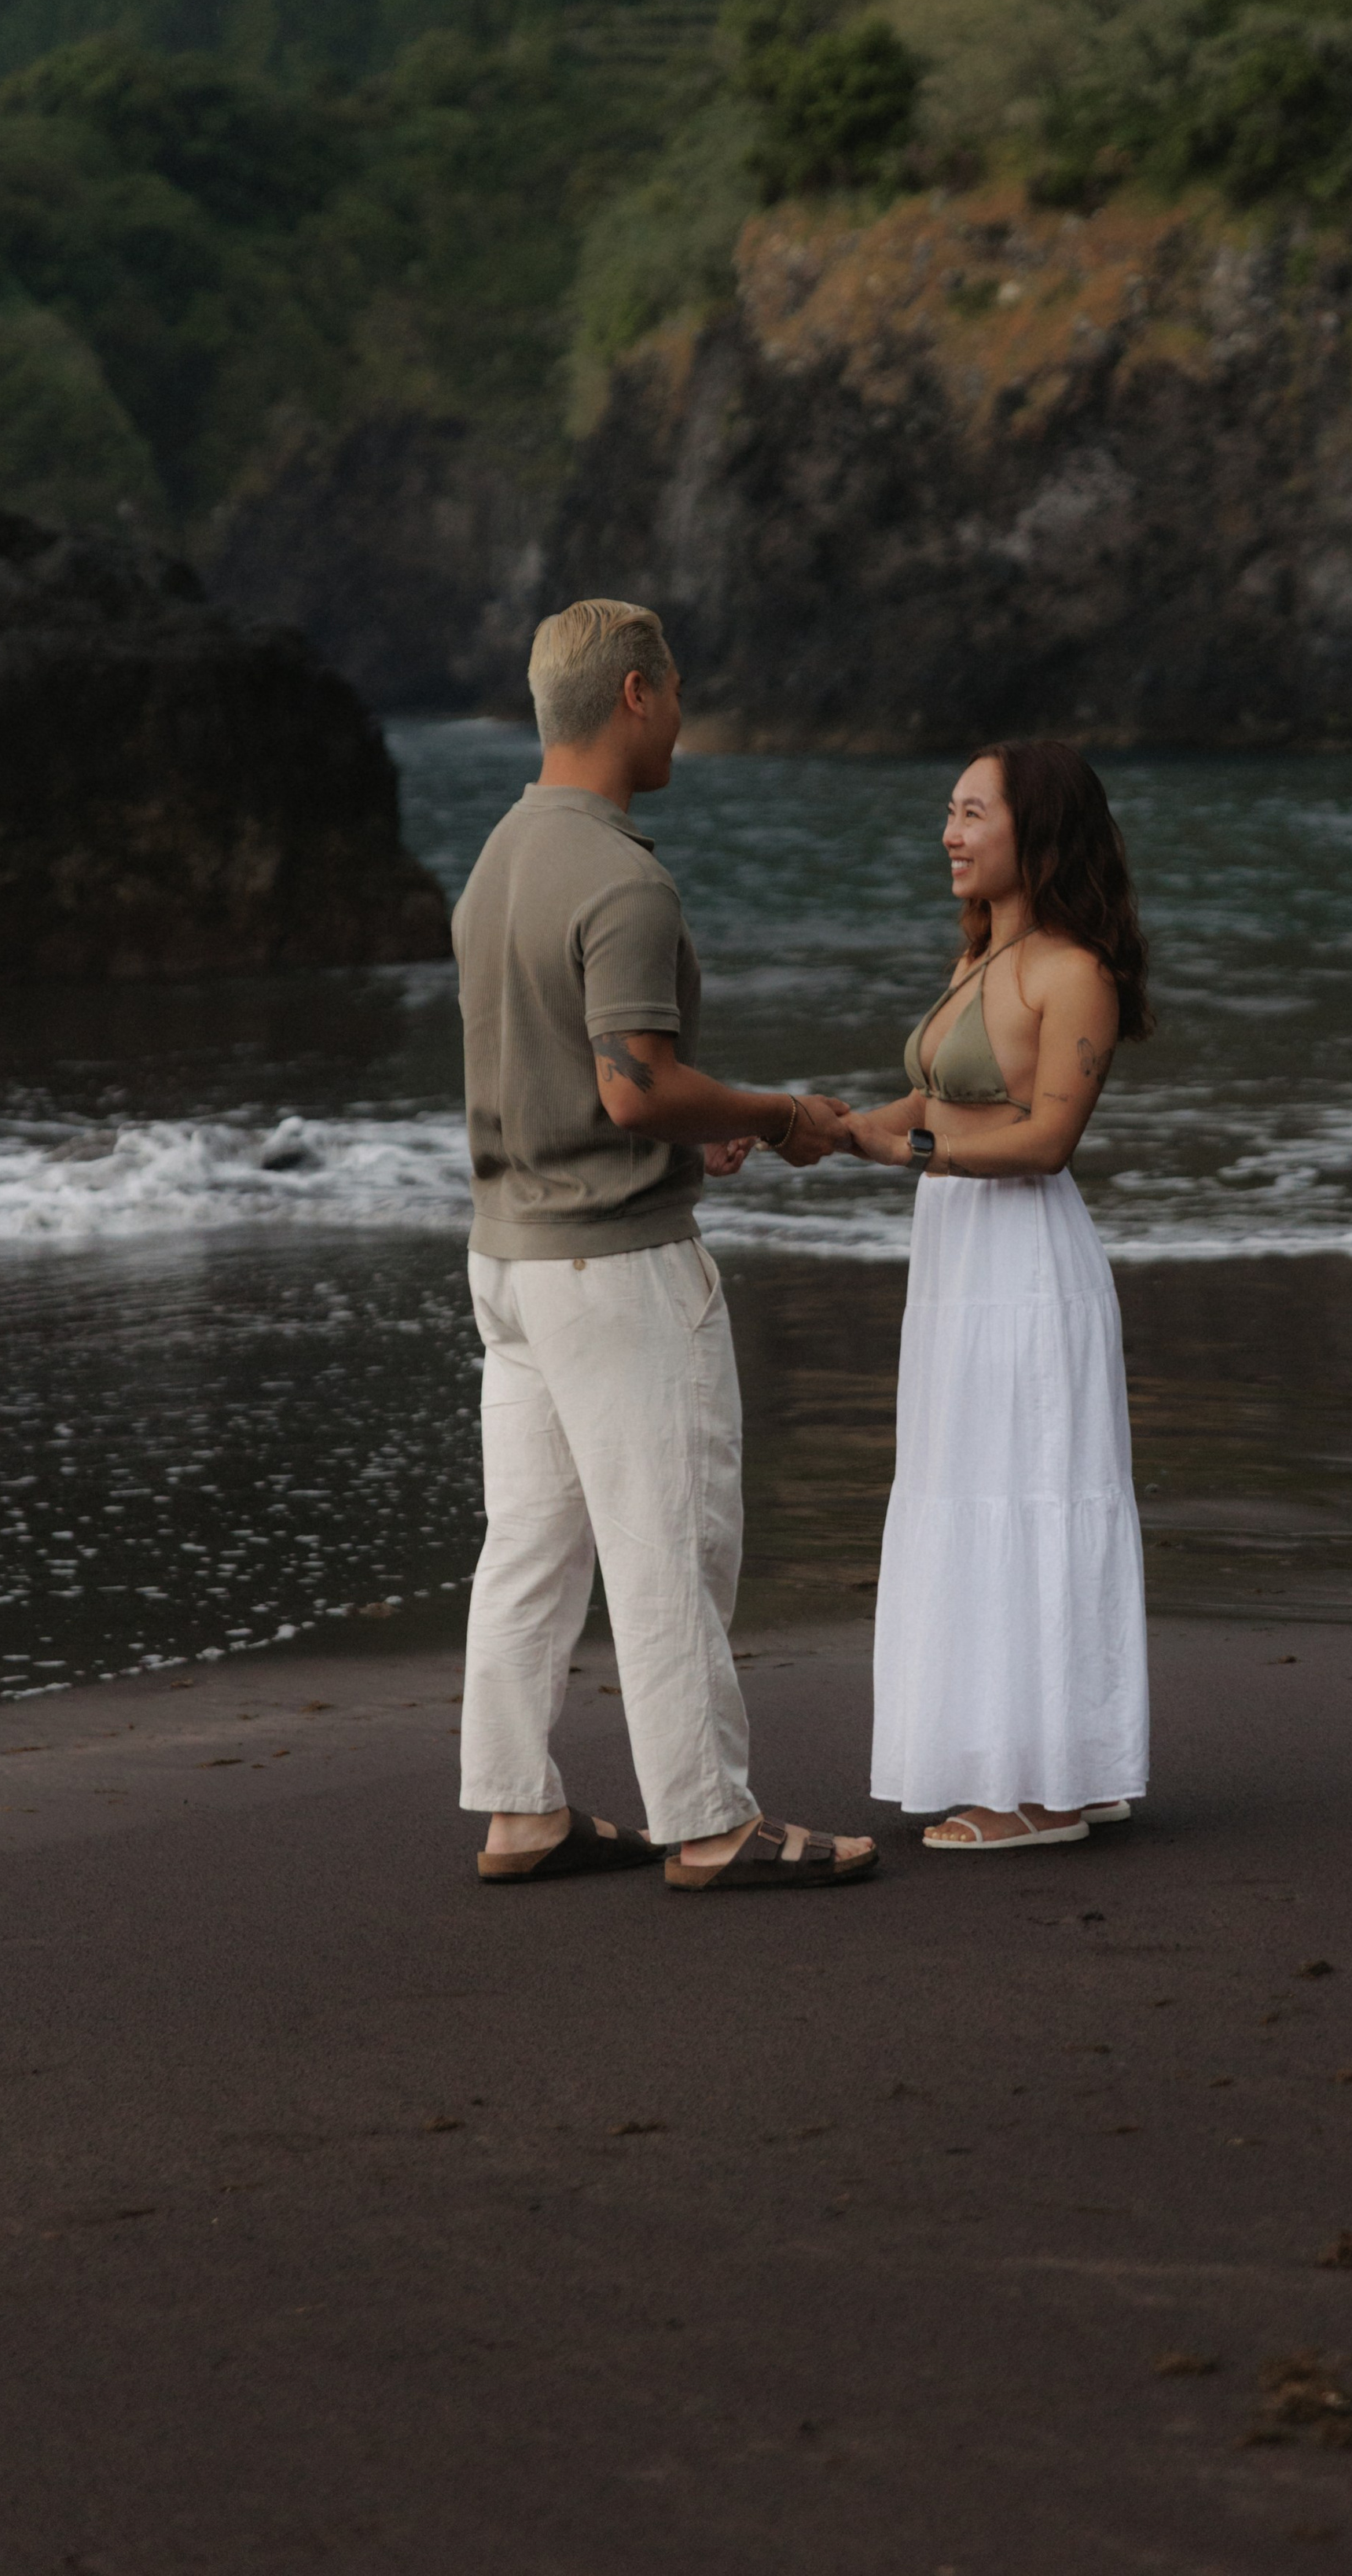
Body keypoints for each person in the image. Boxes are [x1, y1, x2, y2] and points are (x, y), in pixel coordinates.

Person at [451, 597, 876, 1892]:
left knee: (529, 1546)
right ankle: (709, 1820)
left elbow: (569, 1092)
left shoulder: (499, 860)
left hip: (509, 1260)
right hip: (616, 1270)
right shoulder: (622, 876)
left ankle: (519, 1806)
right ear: (635, 695)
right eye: (678, 689)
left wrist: (691, 1140)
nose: (685, 713)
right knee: (670, 1542)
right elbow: (636, 1083)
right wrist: (779, 1115)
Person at [843, 740, 1153, 1848]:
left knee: (1030, 1492)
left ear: (1039, 832)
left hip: (1024, 1269)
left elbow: (1047, 1139)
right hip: (959, 1264)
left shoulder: (1071, 971)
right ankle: (1064, 1758)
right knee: (971, 1486)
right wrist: (812, 1126)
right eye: (949, 811)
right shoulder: (980, 958)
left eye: (974, 813)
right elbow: (930, 1103)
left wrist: (910, 1147)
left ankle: (1050, 1791)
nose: (951, 834)